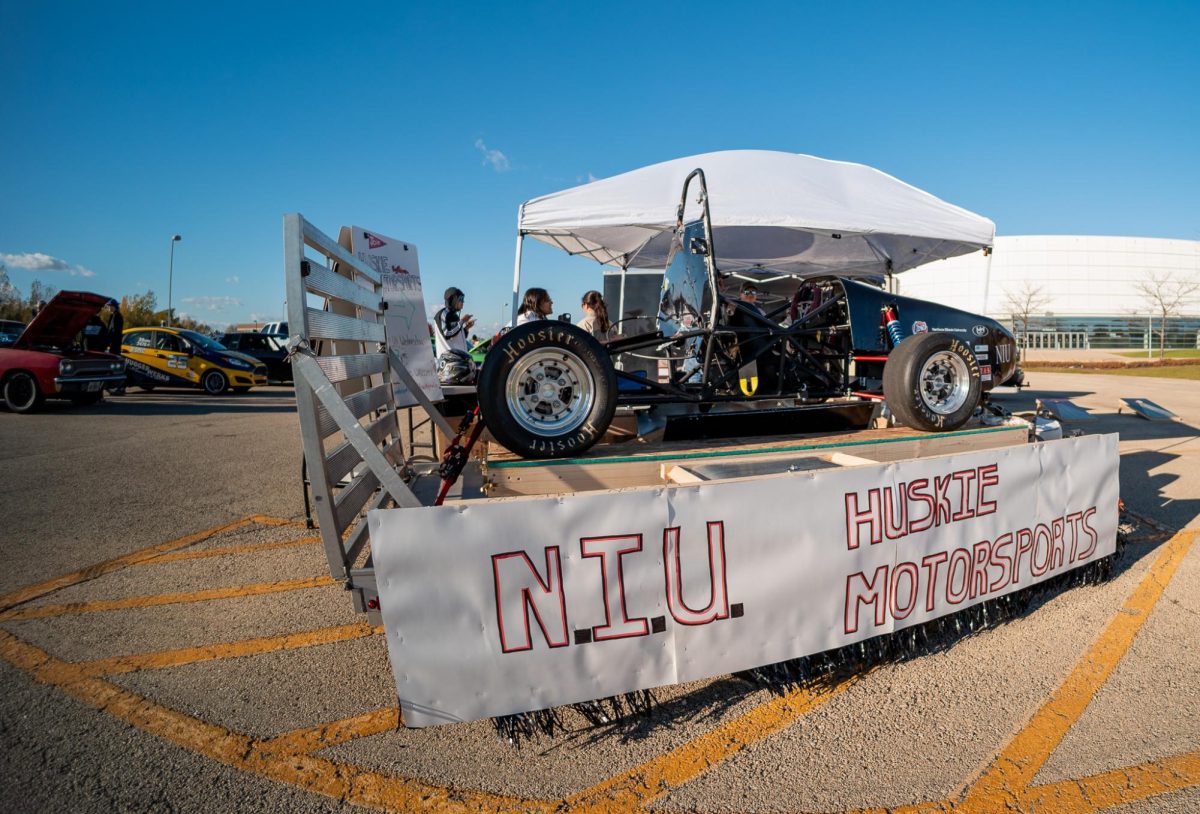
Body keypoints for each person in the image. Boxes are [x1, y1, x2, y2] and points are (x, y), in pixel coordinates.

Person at [433, 287, 475, 358]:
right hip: (449, 361)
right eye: (461, 299)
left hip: (458, 359)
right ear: (453, 300)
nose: (463, 302)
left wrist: (466, 328)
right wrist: (462, 321)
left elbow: (456, 337)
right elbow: (447, 334)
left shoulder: (454, 315)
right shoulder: (443, 314)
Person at [105, 298, 126, 394]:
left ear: (114, 306)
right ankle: (118, 387)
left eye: (110, 306)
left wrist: (106, 340)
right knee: (115, 365)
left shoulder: (116, 316)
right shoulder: (115, 316)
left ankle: (118, 387)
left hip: (115, 345)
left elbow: (113, 331)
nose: (108, 307)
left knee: (114, 366)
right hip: (115, 344)